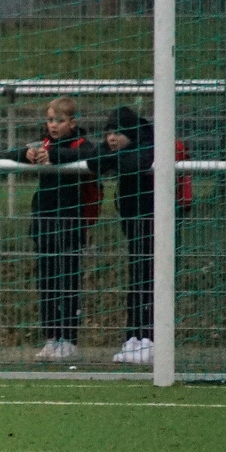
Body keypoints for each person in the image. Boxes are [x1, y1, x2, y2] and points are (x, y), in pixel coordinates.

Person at [10, 97, 100, 362]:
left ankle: (69, 340)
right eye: (50, 120)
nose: (53, 125)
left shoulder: (80, 145)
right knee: (46, 283)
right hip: (44, 225)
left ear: (72, 122)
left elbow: (93, 155)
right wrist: (25, 155)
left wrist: (54, 156)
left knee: (68, 282)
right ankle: (51, 338)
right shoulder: (43, 145)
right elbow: (10, 154)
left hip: (70, 226)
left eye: (60, 120)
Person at [86, 106, 155, 365]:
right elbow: (94, 161)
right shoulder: (116, 148)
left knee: (150, 278)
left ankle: (150, 338)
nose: (111, 138)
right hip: (132, 220)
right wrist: (111, 154)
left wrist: (113, 158)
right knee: (137, 277)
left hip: (154, 220)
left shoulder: (147, 143)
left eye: (117, 133)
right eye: (108, 133)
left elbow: (135, 163)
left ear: (130, 132)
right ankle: (133, 337)